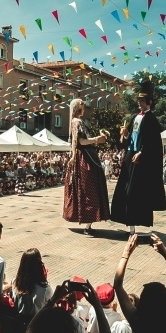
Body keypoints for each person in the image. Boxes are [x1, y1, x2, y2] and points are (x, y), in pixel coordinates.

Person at [111, 81, 166, 235]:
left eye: (142, 100)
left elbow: (153, 142)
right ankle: (129, 224)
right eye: (139, 100)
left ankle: (134, 224)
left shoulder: (151, 119)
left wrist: (143, 153)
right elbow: (133, 138)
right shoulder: (136, 117)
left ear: (149, 102)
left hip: (141, 158)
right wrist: (126, 134)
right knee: (125, 189)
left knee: (135, 192)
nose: (139, 102)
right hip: (130, 155)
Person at [63, 98, 110, 235]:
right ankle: (87, 223)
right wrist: (97, 139)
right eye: (82, 106)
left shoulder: (77, 121)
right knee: (89, 190)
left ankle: (88, 223)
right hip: (85, 158)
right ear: (78, 108)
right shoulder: (77, 122)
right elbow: (80, 141)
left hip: (87, 156)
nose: (84, 108)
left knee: (90, 189)